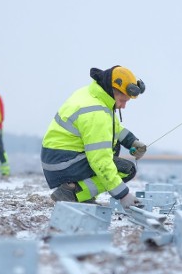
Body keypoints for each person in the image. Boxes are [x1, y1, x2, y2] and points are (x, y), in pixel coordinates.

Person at [41, 65, 147, 206]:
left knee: (112, 149)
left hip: (56, 159)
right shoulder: (96, 113)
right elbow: (100, 161)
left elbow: (112, 127)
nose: (123, 106)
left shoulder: (92, 94)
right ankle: (72, 192)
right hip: (64, 164)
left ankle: (76, 190)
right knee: (127, 170)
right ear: (114, 91)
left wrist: (132, 141)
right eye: (123, 100)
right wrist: (123, 195)